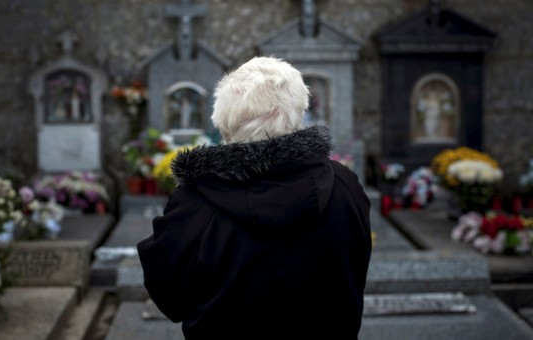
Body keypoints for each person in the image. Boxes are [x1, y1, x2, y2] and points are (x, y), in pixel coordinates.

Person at [137, 56, 372, 340]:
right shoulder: (343, 185)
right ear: (299, 110)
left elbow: (170, 296)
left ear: (222, 118)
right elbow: (355, 269)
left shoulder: (194, 204)